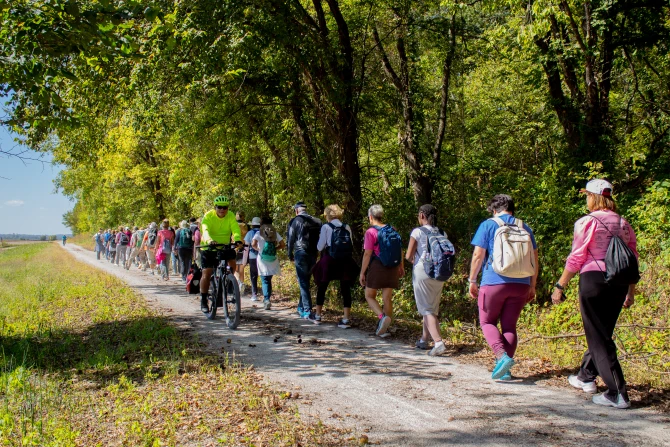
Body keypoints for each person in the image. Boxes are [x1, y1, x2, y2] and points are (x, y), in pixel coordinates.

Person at [551, 179, 638, 409]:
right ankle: (586, 377)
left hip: (594, 279)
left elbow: (577, 257)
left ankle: (617, 393)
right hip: (619, 282)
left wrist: (560, 285)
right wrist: (630, 291)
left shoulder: (586, 222)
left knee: (598, 336)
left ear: (593, 197)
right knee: (602, 333)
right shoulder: (624, 223)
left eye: (587, 196)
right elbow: (633, 259)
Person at [468, 194, 538, 381]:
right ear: (512, 209)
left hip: (494, 282)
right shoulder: (524, 227)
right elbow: (535, 258)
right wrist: (532, 285)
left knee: (487, 322)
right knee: (509, 326)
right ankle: (505, 371)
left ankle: (501, 357)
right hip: (521, 283)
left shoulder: (488, 225)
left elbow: (478, 255)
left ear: (494, 210)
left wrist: (472, 280)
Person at [405, 204, 452, 355]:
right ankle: (424, 339)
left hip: (423, 271)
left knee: (426, 309)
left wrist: (413, 260)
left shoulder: (417, 231)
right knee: (431, 308)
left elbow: (408, 255)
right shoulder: (442, 233)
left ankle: (438, 342)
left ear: (422, 215)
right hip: (439, 272)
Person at [359, 204, 404, 337]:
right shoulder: (392, 229)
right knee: (387, 298)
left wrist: (362, 272)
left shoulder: (370, 232)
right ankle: (387, 328)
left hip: (378, 266)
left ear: (370, 217)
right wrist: (401, 266)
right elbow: (400, 250)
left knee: (369, 295)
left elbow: (367, 254)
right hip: (393, 267)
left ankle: (382, 317)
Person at [313, 204, 357, 328]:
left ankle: (317, 315)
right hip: (345, 261)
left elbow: (319, 247)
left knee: (322, 285)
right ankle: (346, 319)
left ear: (327, 215)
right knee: (345, 289)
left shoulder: (326, 227)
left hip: (330, 260)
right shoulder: (346, 227)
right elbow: (351, 244)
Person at [199, 196, 242, 312]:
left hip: (224, 246)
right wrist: (209, 241)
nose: (222, 210)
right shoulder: (208, 216)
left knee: (232, 261)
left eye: (225, 207)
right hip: (209, 247)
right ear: (215, 207)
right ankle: (203, 300)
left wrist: (237, 239)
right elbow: (205, 230)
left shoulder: (230, 215)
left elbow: (235, 228)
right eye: (219, 207)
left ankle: (229, 280)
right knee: (207, 273)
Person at [287, 201, 322, 320]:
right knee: (306, 281)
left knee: (303, 282)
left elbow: (291, 239)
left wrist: (289, 253)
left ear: (297, 210)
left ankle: (307, 310)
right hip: (313, 254)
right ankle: (301, 307)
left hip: (300, 253)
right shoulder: (317, 221)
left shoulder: (295, 221)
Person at [252, 216, 285, 310]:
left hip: (262, 259)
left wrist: (259, 249)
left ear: (261, 224)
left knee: (264, 279)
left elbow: (253, 244)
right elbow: (283, 244)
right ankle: (267, 298)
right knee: (268, 279)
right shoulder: (274, 233)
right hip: (273, 258)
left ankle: (266, 300)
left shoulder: (258, 233)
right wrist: (275, 249)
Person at [244, 217, 262, 301]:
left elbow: (246, 247)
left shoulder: (250, 233)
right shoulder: (263, 232)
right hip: (263, 256)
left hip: (253, 257)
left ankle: (254, 294)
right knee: (263, 275)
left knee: (254, 276)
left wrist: (244, 261)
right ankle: (266, 295)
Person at [234, 211, 250, 292]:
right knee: (241, 267)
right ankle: (242, 284)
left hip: (234, 248)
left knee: (234, 268)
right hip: (244, 248)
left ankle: (239, 283)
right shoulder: (246, 226)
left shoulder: (233, 225)